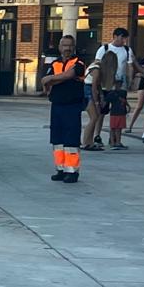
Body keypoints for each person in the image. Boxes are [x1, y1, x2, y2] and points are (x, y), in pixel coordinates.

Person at [42, 35, 87, 184]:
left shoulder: (79, 63)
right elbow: (44, 80)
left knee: (71, 139)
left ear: (73, 47)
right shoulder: (54, 63)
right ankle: (60, 169)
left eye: (70, 45)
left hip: (72, 105)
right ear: (60, 47)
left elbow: (70, 75)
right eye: (64, 45)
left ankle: (72, 172)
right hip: (57, 105)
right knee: (57, 140)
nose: (67, 48)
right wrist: (53, 79)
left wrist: (53, 79)